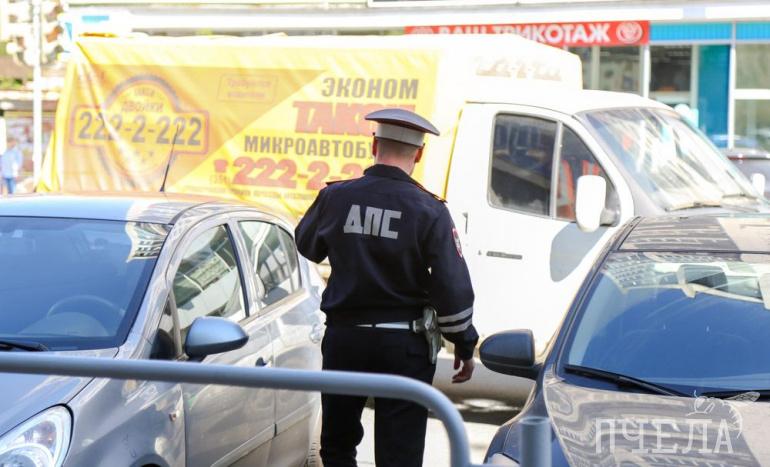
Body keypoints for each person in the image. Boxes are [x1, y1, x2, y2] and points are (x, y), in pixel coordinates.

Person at [295, 108, 478, 467]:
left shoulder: (335, 197)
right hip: (404, 346)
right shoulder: (430, 210)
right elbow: (451, 286)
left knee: (337, 446)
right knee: (400, 455)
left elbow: (307, 245)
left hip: (345, 340)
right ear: (419, 154)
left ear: (374, 145)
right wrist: (464, 342)